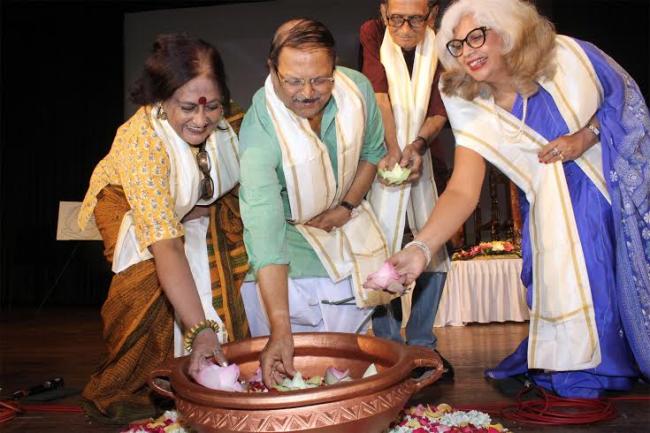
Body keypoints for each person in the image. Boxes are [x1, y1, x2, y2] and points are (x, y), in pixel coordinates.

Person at [371, 0, 649, 398]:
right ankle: (573, 361)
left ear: (508, 31)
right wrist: (420, 249)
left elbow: (624, 101)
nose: (467, 52)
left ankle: (596, 368)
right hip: (545, 209)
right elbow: (463, 189)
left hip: (601, 192)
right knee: (551, 285)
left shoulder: (568, 59)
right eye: (457, 45)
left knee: (599, 274)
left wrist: (587, 135)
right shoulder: (468, 102)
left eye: (477, 37)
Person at [77, 34, 248, 422]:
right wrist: (200, 330)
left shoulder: (231, 119)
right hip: (127, 205)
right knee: (148, 291)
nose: (201, 120)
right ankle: (142, 389)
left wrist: (200, 203)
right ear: (161, 98)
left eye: (213, 106)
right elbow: (167, 246)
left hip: (200, 206)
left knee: (230, 265)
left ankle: (216, 377)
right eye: (187, 107)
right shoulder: (142, 143)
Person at [238, 18, 392, 388]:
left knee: (348, 380)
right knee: (285, 386)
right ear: (272, 70)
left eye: (321, 79)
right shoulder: (259, 132)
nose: (307, 93)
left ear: (335, 68)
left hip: (349, 243)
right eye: (293, 81)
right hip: (289, 262)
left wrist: (347, 206)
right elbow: (265, 233)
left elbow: (372, 152)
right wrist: (280, 328)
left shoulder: (357, 91)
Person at [359, 0, 453, 377]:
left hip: (424, 157)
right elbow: (379, 94)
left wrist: (416, 146)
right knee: (381, 247)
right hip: (383, 153)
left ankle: (422, 344)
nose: (404, 28)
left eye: (415, 20)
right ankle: (388, 347)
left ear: (432, 15)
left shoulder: (445, 43)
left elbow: (440, 106)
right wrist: (392, 146)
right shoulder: (372, 33)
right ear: (383, 13)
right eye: (396, 19)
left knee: (434, 248)